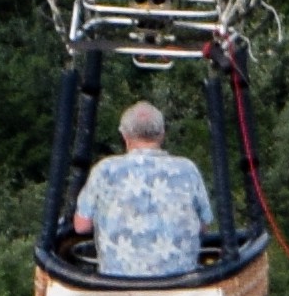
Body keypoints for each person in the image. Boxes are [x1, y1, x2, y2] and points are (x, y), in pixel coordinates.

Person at [72, 93, 217, 282]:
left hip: (117, 285)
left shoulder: (105, 170)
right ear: (162, 133)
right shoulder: (187, 170)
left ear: (124, 135)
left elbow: (82, 226)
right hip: (180, 285)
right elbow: (204, 225)